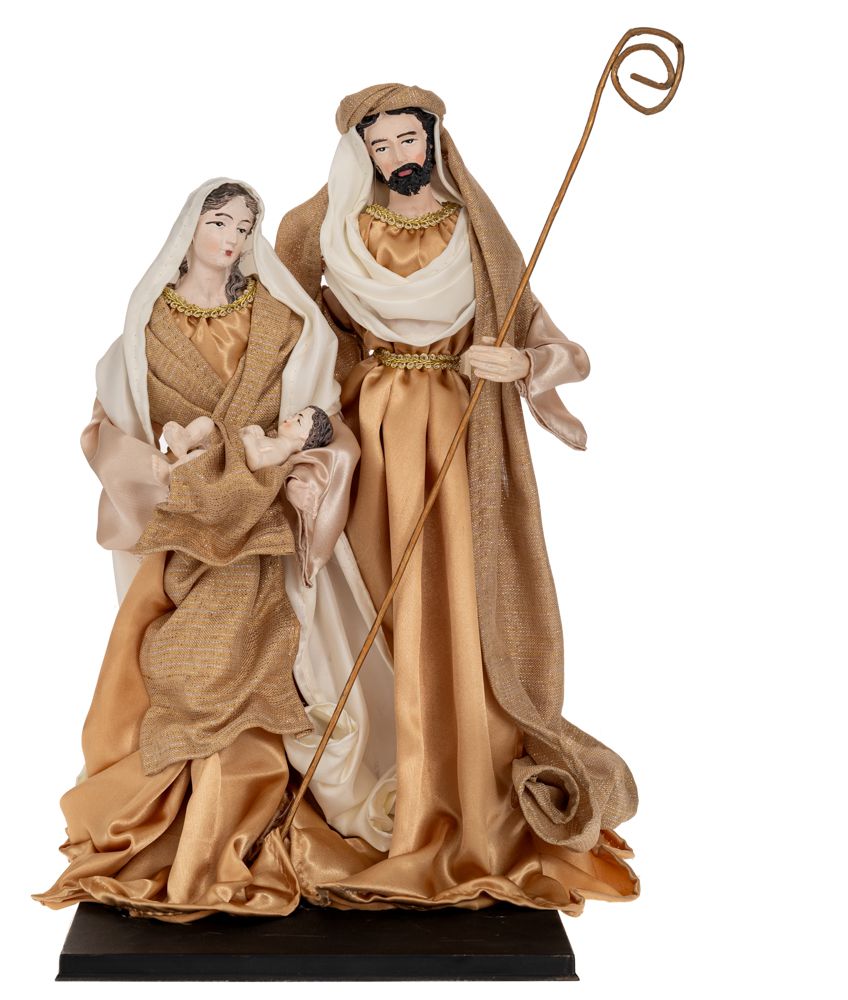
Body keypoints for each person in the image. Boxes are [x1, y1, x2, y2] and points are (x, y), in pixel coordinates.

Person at [274, 85, 639, 914]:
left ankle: (460, 779)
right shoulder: (331, 227)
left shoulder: (476, 228)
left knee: (454, 603)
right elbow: (286, 323)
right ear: (361, 154)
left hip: (459, 436)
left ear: (434, 141)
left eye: (409, 139)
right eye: (381, 145)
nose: (397, 156)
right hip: (368, 438)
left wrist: (519, 363)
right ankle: (380, 772)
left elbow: (555, 341)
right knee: (375, 596)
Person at [34, 178, 395, 922]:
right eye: (219, 221)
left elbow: (321, 415)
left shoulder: (281, 317)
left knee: (263, 671)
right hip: (185, 529)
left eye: (245, 225)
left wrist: (293, 462)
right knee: (181, 667)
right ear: (189, 228)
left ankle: (245, 824)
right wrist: (169, 468)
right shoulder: (147, 328)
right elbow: (112, 427)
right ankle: (184, 827)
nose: (231, 237)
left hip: (264, 528)